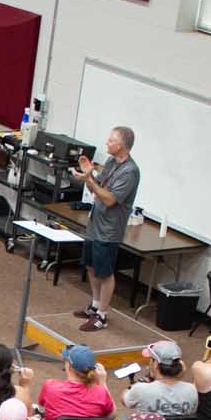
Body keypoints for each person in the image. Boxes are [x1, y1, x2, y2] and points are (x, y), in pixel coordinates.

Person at [73, 126, 140, 331]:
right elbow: (98, 186)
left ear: (121, 146)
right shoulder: (111, 162)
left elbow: (110, 199)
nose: (107, 143)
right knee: (91, 266)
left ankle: (102, 315)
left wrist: (89, 181)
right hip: (95, 223)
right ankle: (94, 305)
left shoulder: (130, 171)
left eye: (111, 141)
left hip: (109, 230)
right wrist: (89, 174)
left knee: (105, 272)